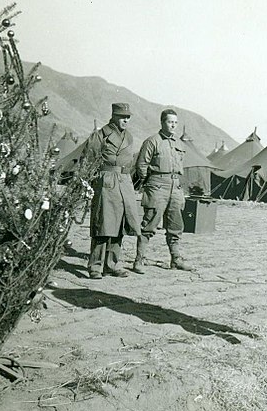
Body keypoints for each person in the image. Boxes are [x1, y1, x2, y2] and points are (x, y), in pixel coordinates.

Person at [81, 103, 141, 279]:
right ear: (114, 116)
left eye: (128, 117)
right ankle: (95, 266)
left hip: (124, 183)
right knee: (104, 225)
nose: (126, 120)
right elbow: (87, 160)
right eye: (123, 117)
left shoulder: (129, 137)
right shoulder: (100, 136)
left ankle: (111, 264)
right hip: (106, 181)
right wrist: (90, 184)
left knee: (120, 225)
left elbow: (129, 164)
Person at [133, 109, 194, 273]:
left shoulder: (179, 144)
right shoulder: (152, 141)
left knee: (176, 224)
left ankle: (176, 259)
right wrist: (150, 183)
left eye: (175, 122)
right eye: (169, 122)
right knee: (149, 223)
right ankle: (139, 260)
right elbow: (141, 166)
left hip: (175, 185)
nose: (173, 125)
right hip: (157, 185)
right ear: (162, 122)